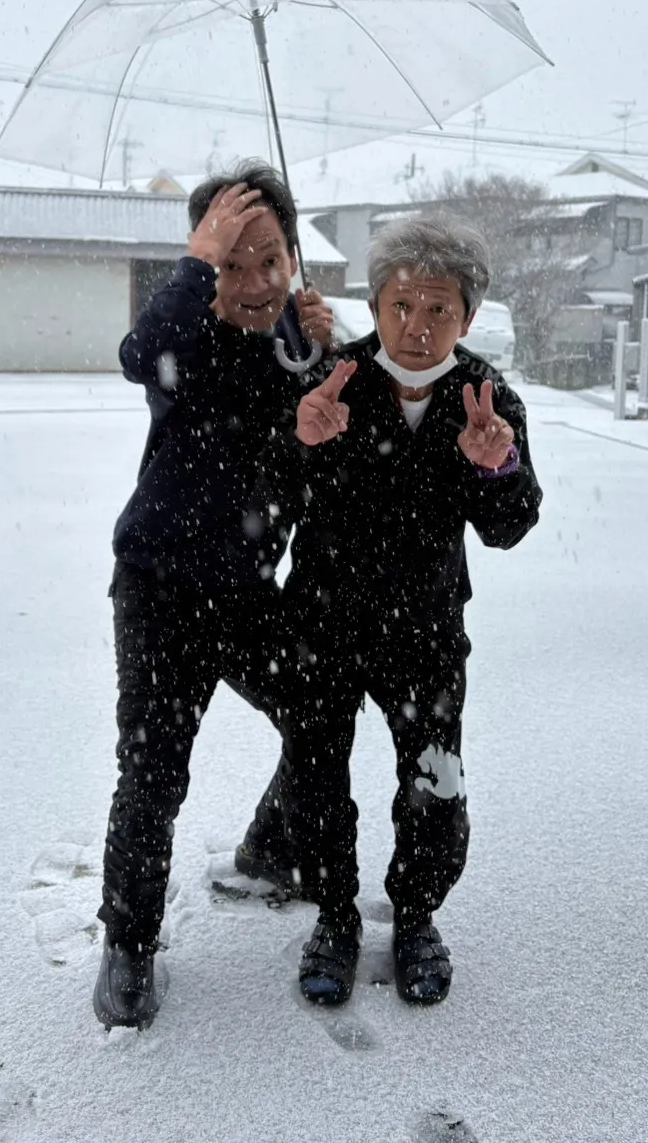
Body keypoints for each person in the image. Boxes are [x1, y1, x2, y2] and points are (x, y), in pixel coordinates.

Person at [247, 215, 542, 1008]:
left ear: (468, 317)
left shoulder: (486, 399)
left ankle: (416, 916)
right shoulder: (331, 380)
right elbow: (267, 504)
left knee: (434, 787)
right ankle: (334, 917)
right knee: (314, 781)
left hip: (427, 633)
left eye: (439, 309)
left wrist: (497, 464)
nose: (417, 325)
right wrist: (297, 441)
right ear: (375, 303)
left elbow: (511, 525)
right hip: (321, 628)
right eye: (401, 304)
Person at [93, 161, 334, 1030]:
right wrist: (196, 266)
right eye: (231, 262)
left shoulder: (298, 348)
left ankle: (271, 847)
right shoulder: (182, 337)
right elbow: (136, 354)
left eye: (271, 258)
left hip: (243, 593)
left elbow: (319, 457)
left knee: (319, 707)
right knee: (153, 772)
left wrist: (324, 361)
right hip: (160, 589)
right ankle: (128, 941)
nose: (255, 281)